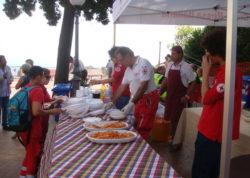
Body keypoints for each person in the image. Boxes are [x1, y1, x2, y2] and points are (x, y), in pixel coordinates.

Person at [192, 28, 242, 178]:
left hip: (213, 132)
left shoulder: (229, 71)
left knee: (204, 171)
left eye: (207, 50)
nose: (206, 55)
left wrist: (206, 72)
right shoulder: (224, 70)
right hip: (210, 130)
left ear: (214, 50)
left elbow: (206, 99)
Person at [17, 66, 61, 177]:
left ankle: (23, 174)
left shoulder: (26, 87)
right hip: (32, 128)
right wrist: (52, 111)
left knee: (29, 153)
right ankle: (29, 175)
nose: (44, 77)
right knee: (33, 155)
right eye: (43, 75)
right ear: (38, 76)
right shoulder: (37, 90)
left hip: (23, 127)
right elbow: (36, 112)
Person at [112, 47, 159, 140]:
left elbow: (143, 87)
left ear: (128, 56)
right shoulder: (128, 69)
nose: (120, 63)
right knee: (137, 121)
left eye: (121, 60)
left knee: (144, 125)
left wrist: (131, 103)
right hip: (138, 98)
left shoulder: (143, 64)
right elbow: (122, 86)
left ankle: (143, 147)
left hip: (148, 98)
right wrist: (112, 101)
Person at [160, 46, 196, 150]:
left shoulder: (186, 67)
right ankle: (172, 139)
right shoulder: (170, 65)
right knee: (170, 119)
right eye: (172, 53)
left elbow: (193, 82)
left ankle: (177, 142)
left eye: (174, 54)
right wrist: (160, 91)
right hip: (170, 97)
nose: (172, 56)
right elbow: (166, 80)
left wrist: (187, 96)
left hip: (179, 98)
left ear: (180, 54)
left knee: (177, 120)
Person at [0, 55, 13, 130]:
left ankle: (5, 124)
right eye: (4, 60)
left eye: (5, 60)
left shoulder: (8, 67)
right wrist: (3, 77)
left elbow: (11, 76)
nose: (6, 61)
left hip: (6, 92)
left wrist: (11, 80)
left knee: (5, 109)